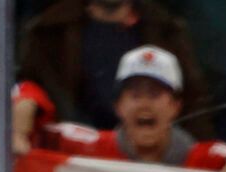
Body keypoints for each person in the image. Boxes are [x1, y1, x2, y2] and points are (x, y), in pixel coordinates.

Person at [18, 45, 226, 172]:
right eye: (134, 95)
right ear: (118, 106)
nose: (144, 104)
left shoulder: (206, 158)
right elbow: (30, 125)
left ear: (175, 106)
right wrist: (27, 103)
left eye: (155, 94)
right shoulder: (88, 147)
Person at [15, 0, 203, 131]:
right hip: (72, 163)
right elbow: (27, 92)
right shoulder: (47, 33)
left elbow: (194, 104)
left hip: (152, 164)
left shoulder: (166, 31)